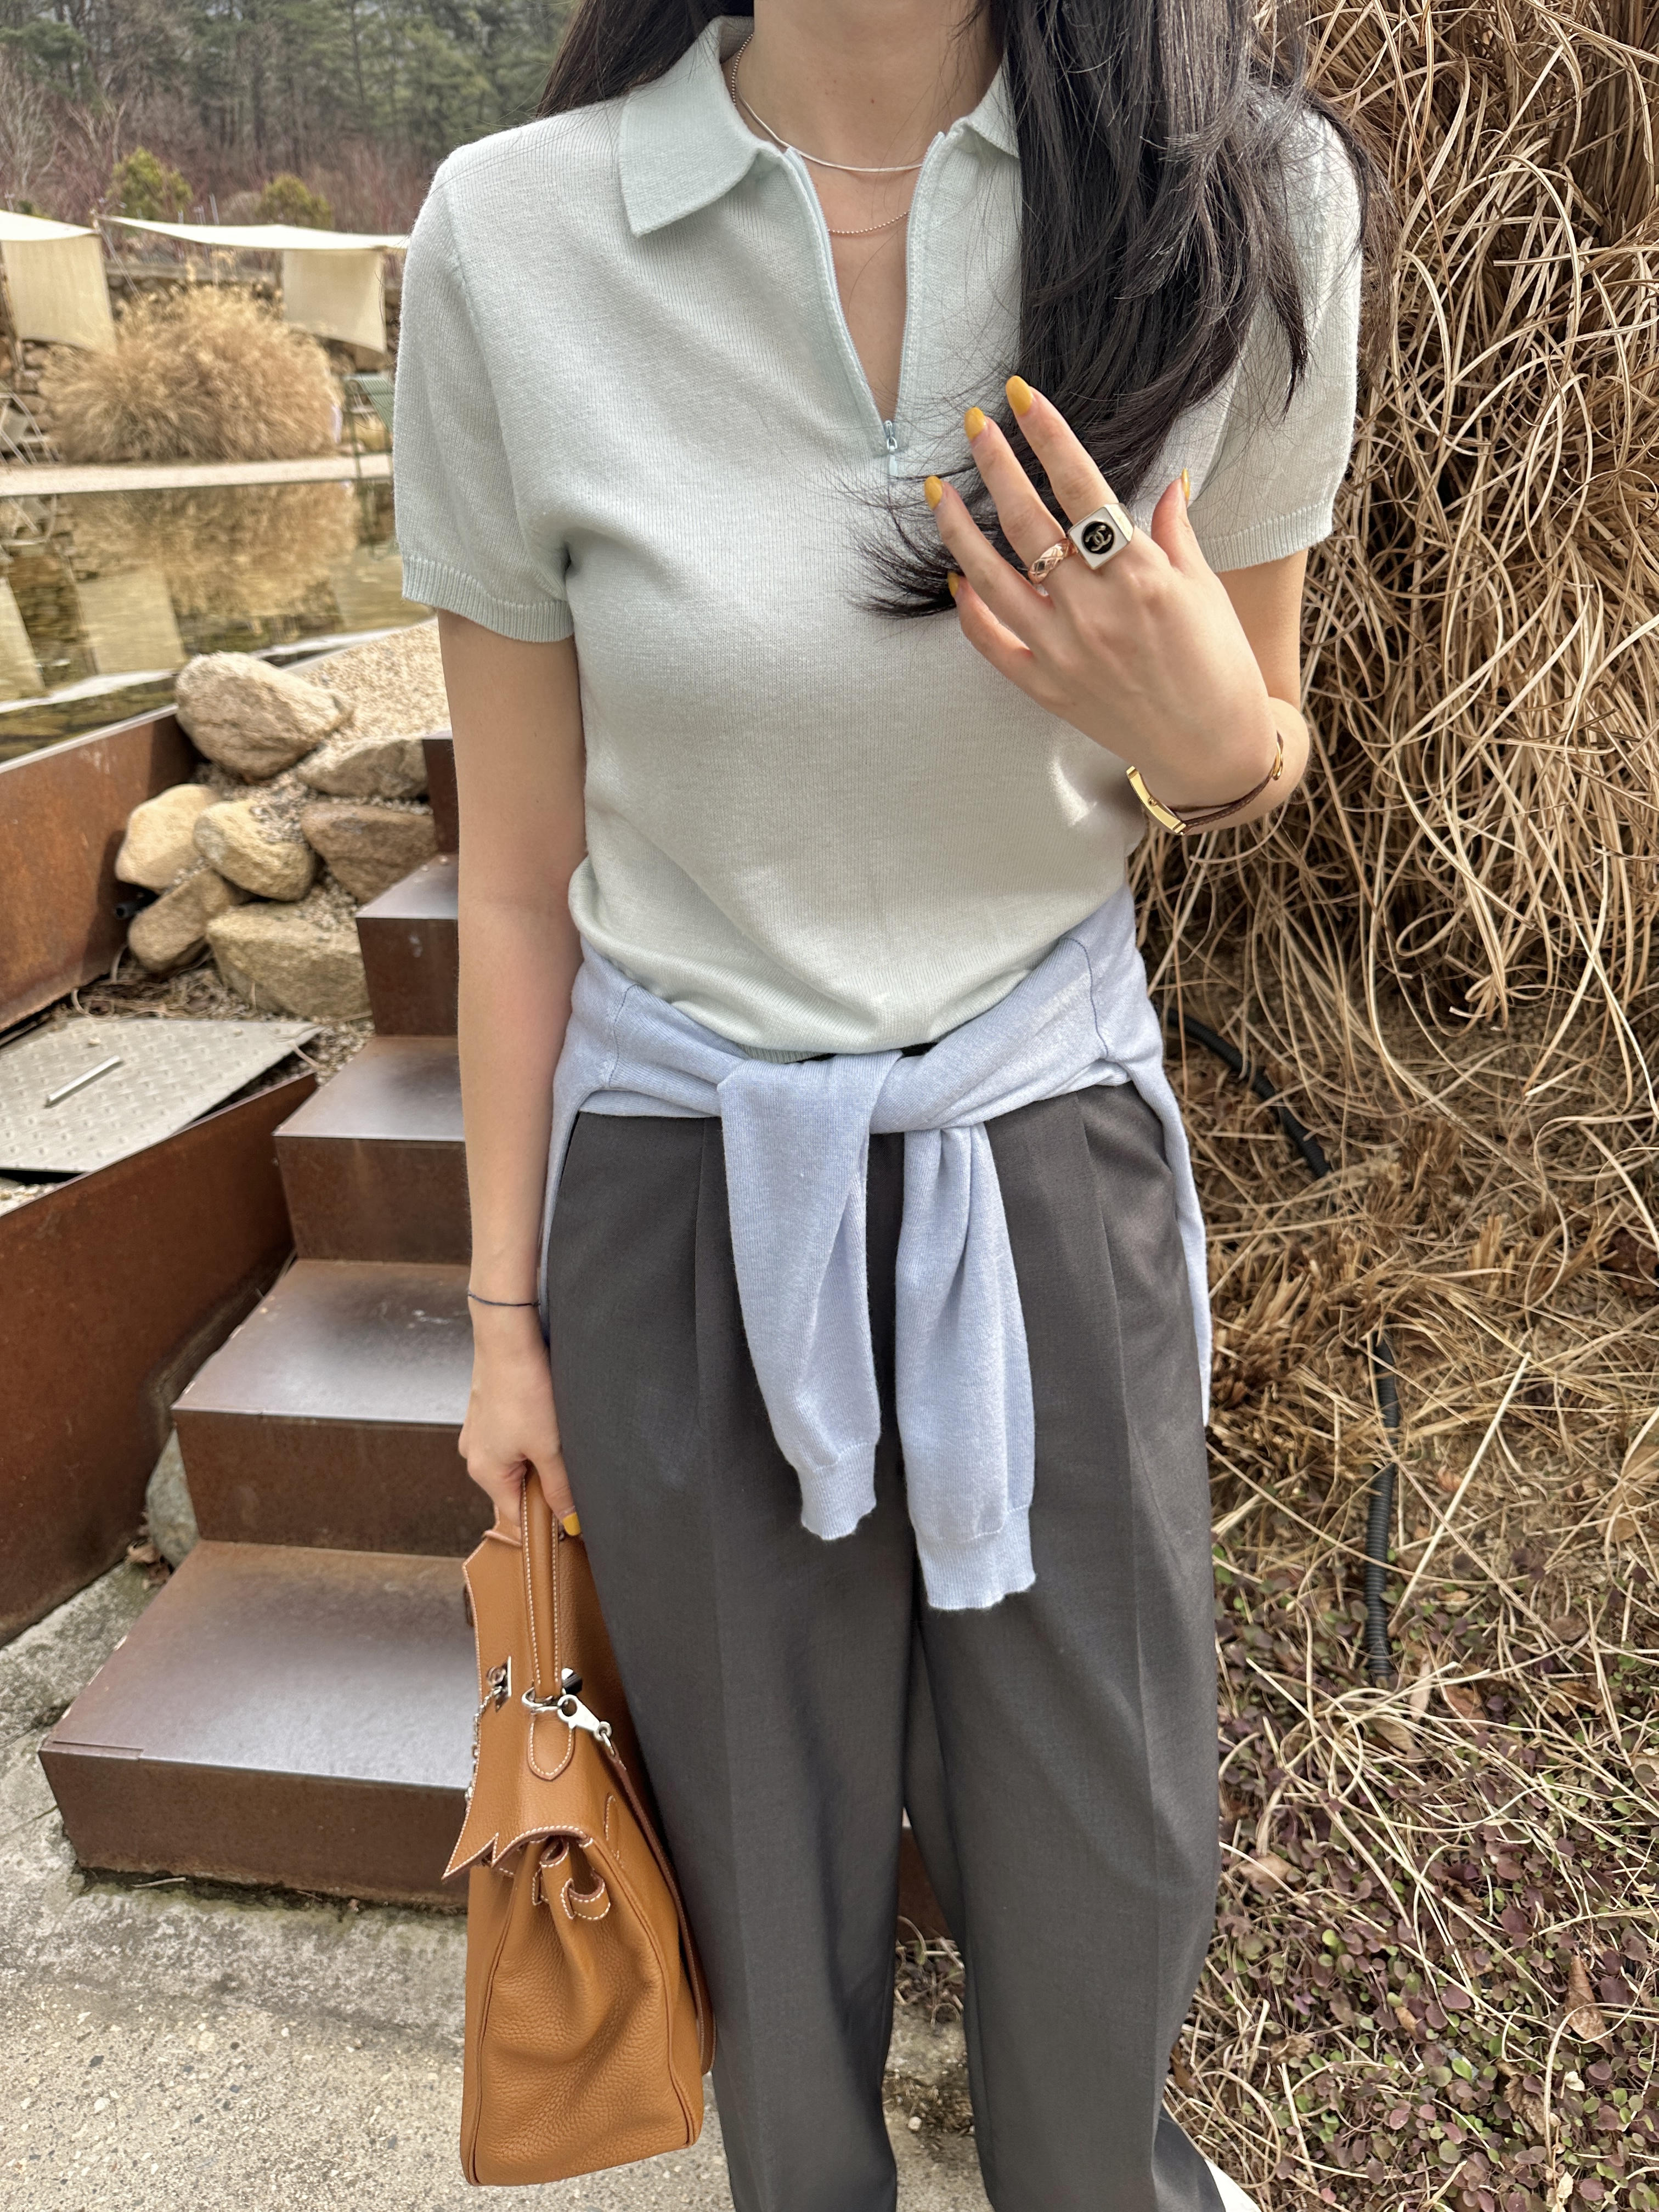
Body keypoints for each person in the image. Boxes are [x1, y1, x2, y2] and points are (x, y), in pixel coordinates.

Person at [392, 0, 1380, 2203]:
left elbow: (1256, 737)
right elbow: (522, 880)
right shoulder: (512, 241)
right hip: (675, 1185)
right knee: (760, 1858)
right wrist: (501, 1325)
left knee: (1111, 1835)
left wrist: (1209, 734)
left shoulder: (1239, 199)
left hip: (1042, 1142)